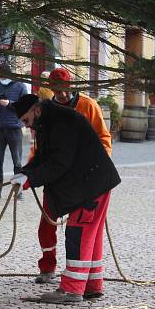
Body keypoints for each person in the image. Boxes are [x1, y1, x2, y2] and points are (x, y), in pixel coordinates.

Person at [13, 94, 121, 304]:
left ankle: (72, 289)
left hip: (90, 186)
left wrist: (30, 179)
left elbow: (59, 162)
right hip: (94, 183)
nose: (26, 127)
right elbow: (44, 156)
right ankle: (92, 285)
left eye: (26, 121)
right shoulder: (49, 122)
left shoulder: (61, 122)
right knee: (92, 237)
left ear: (36, 110)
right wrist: (26, 172)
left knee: (78, 233)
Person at [34, 68, 113, 288]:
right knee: (47, 224)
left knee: (81, 230)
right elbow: (41, 147)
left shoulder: (88, 106)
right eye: (55, 90)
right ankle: (48, 267)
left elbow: (104, 138)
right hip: (57, 178)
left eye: (62, 89)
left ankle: (80, 283)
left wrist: (97, 166)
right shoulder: (48, 110)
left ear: (69, 87)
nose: (60, 94)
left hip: (83, 180)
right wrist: (31, 172)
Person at [0, 61, 27, 200]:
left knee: (17, 162)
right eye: (0, 77)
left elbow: (25, 107)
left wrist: (10, 104)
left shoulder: (20, 87)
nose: (2, 80)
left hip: (15, 129)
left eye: (3, 77)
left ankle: (18, 192)